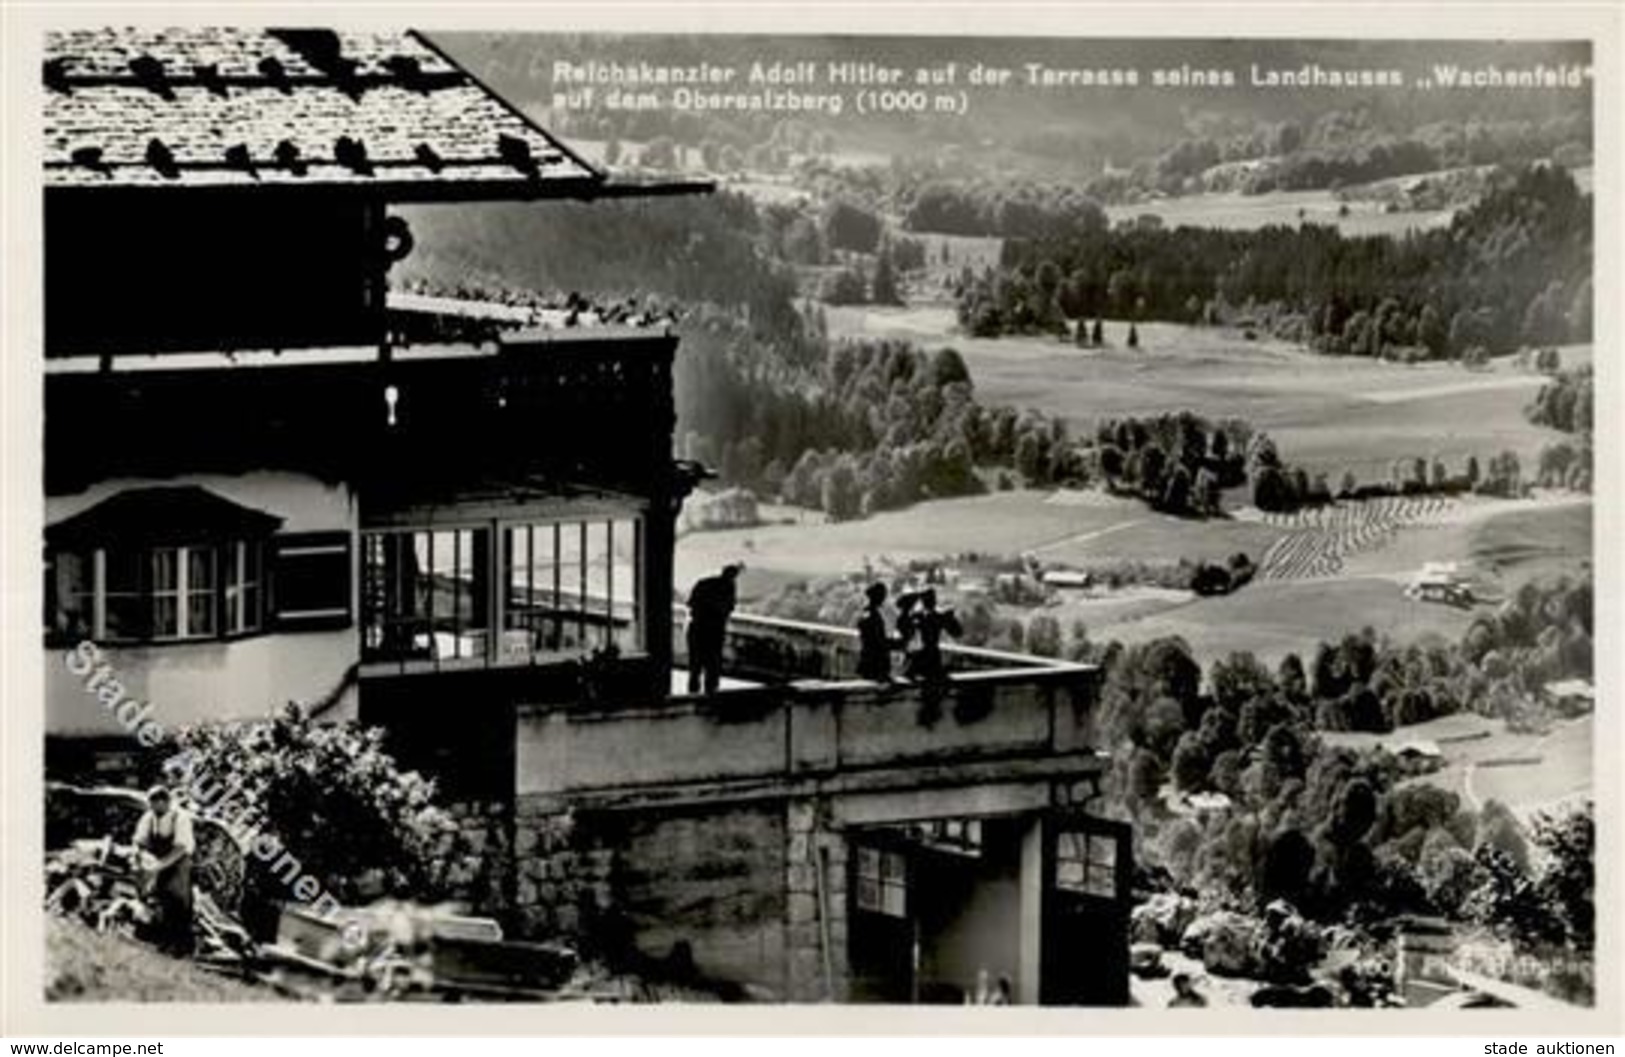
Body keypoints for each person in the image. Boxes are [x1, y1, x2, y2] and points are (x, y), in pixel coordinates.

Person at [133, 784, 195, 956]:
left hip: (178, 861)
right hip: (156, 860)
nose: (153, 808)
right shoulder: (149, 817)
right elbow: (140, 840)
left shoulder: (180, 817)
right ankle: (158, 939)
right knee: (153, 897)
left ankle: (181, 945)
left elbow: (181, 848)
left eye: (156, 804)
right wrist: (141, 856)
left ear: (165, 802)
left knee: (177, 900)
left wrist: (161, 865)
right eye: (150, 804)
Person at [686, 562, 742, 694]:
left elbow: (691, 604)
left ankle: (692, 696)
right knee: (712, 666)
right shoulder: (729, 587)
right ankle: (710, 698)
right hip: (714, 632)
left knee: (695, 666)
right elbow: (728, 608)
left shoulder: (703, 583)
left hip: (697, 629)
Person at [897, 588, 962, 684]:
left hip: (927, 656)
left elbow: (957, 632)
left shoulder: (922, 616)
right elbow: (957, 633)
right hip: (930, 655)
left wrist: (952, 620)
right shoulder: (926, 616)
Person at [855, 582, 898, 682]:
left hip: (869, 659)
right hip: (875, 661)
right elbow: (878, 640)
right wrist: (895, 644)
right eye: (882, 595)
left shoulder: (866, 613)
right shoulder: (873, 615)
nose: (883, 598)